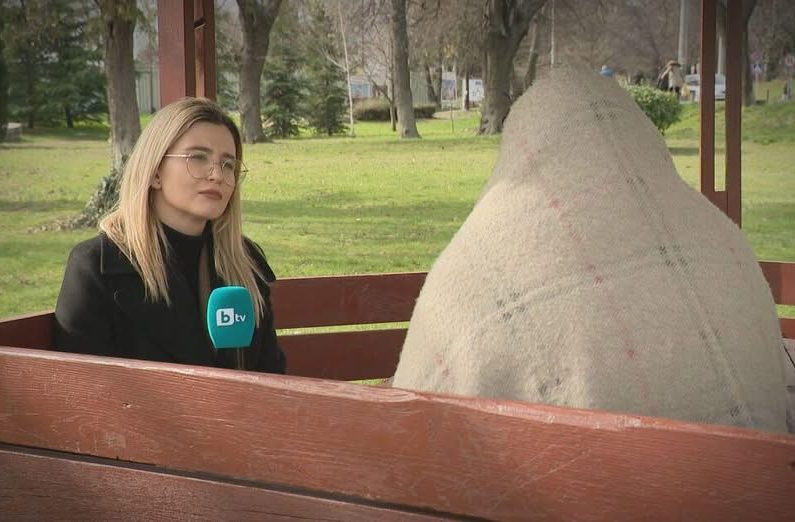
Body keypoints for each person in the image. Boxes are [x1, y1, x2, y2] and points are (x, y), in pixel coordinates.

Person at [54, 97, 286, 373]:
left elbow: (271, 376)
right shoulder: (97, 265)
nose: (217, 175)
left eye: (228, 164)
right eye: (197, 157)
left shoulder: (246, 262)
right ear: (155, 173)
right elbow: (81, 386)